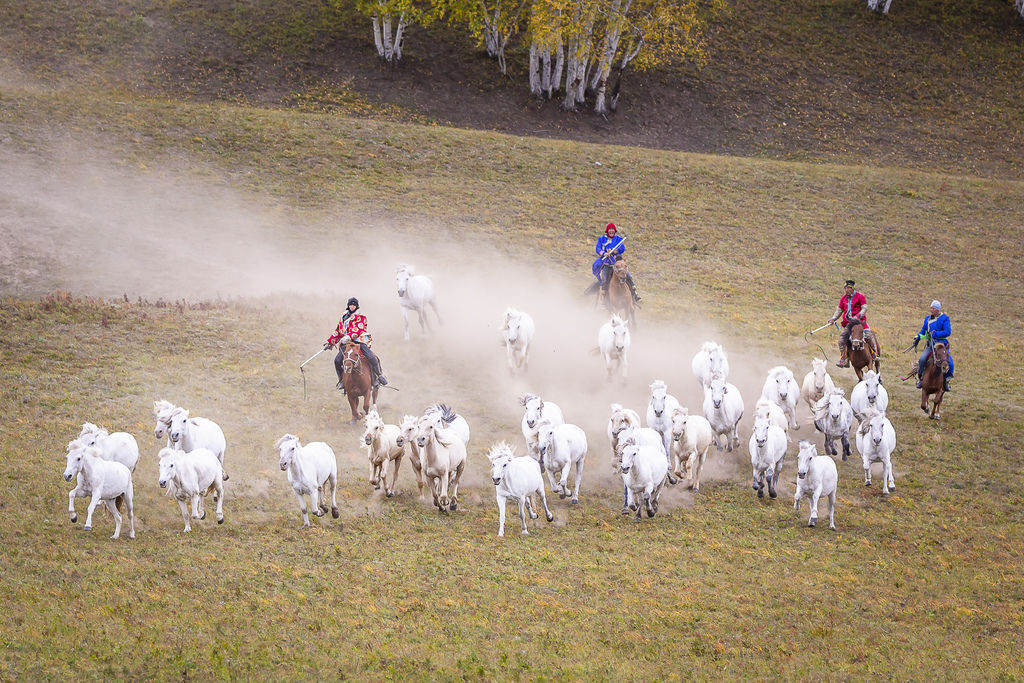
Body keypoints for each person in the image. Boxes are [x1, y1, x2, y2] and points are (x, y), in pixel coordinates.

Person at [325, 297, 387, 391]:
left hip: (359, 341)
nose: (352, 306)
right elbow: (338, 331)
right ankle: (341, 380)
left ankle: (378, 376)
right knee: (337, 361)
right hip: (346, 343)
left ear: (357, 306)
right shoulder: (344, 316)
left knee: (371, 357)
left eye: (354, 305)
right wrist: (329, 342)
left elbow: (358, 330)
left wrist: (346, 338)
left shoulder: (361, 317)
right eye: (351, 304)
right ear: (348, 305)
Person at [827, 279, 878, 367]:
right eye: (846, 288)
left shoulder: (860, 296)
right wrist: (833, 318)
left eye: (849, 288)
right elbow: (839, 310)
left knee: (869, 336)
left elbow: (864, 308)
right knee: (842, 339)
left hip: (860, 323)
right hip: (849, 325)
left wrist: (858, 315)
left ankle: (874, 354)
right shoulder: (843, 298)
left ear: (853, 288)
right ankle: (844, 359)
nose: (847, 290)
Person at [587, 222, 641, 304]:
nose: (611, 231)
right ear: (607, 231)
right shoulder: (602, 239)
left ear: (615, 231)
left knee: (628, 276)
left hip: (617, 263)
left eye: (612, 230)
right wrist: (604, 253)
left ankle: (634, 294)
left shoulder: (619, 239)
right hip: (607, 264)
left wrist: (614, 251)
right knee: (604, 279)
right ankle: (604, 299)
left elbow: (622, 248)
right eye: (610, 230)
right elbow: (598, 248)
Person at [913, 299, 953, 392]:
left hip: (941, 345)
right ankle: (921, 378)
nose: (931, 310)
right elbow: (923, 331)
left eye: (933, 308)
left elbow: (948, 332)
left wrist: (936, 334)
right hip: (931, 345)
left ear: (937, 310)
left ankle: (946, 381)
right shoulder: (927, 319)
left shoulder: (945, 318)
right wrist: (918, 336)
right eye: (930, 308)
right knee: (922, 359)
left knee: (950, 363)